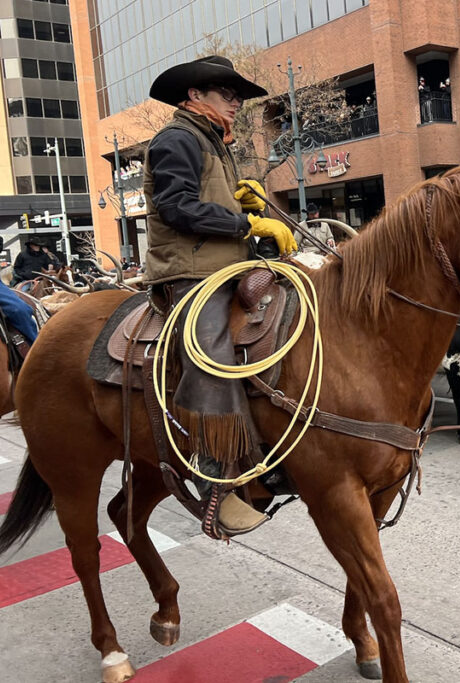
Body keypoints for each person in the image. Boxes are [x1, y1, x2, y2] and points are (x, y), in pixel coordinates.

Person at [143, 55, 297, 536]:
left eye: (237, 96)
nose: (235, 103)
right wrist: (247, 220)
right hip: (190, 271)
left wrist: (242, 196)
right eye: (226, 93)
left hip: (231, 265)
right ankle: (216, 481)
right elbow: (176, 207)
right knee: (213, 355)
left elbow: (211, 199)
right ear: (194, 96)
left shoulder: (214, 142)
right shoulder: (177, 139)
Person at [0, 219, 39, 346]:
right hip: (25, 278)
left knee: (19, 310)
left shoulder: (46, 255)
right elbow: (17, 268)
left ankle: (37, 355)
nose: (38, 247)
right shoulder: (23, 255)